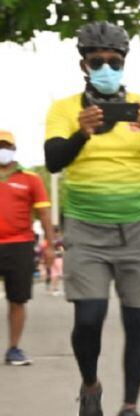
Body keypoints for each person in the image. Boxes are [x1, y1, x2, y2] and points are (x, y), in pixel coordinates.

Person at [44, 21, 140, 416]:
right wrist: (81, 133)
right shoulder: (66, 109)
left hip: (138, 229)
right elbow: (54, 160)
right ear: (83, 65)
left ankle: (130, 409)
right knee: (89, 318)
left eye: (115, 61)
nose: (107, 67)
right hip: (86, 230)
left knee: (137, 321)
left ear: (124, 63)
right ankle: (90, 385)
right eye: (98, 61)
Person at [0, 130, 56, 365]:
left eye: (6, 145)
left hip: (19, 246)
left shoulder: (30, 179)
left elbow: (43, 213)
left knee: (18, 300)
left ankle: (14, 348)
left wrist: (50, 246)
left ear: (13, 149)